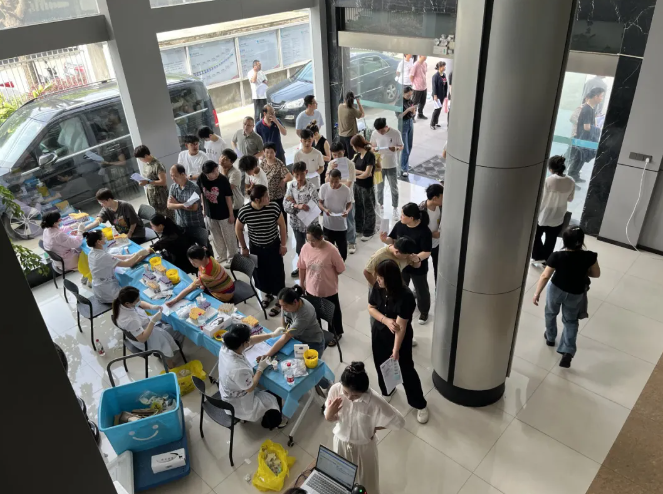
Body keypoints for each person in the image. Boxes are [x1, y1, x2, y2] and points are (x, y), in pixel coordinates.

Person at [325, 362, 405, 494]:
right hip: (340, 443)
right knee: (341, 481)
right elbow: (329, 418)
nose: (349, 398)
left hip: (364, 449)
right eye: (345, 392)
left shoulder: (375, 401)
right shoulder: (335, 390)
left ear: (364, 391)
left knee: (367, 484)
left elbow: (399, 421)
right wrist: (329, 414)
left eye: (356, 395)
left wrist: (375, 426)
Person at [368, 259, 428, 422]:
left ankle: (419, 404)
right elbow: (371, 307)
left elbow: (400, 327)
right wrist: (386, 320)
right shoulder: (378, 287)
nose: (377, 280)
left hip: (399, 338)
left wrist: (395, 350)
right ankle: (388, 390)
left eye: (381, 277)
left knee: (406, 370)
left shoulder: (406, 296)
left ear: (390, 278)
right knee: (381, 364)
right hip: (380, 332)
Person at [532, 226, 601, 368]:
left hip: (556, 289)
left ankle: (550, 337)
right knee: (570, 321)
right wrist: (581, 270)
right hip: (576, 292)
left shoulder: (557, 256)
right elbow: (596, 274)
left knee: (551, 312)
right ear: (581, 241)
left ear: (564, 241)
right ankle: (568, 351)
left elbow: (545, 275)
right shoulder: (590, 256)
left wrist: (536, 293)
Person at [218, 323, 289, 428]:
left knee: (261, 386)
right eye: (247, 340)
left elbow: (250, 341)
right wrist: (260, 369)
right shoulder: (237, 368)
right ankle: (275, 422)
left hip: (229, 389)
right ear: (243, 342)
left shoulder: (228, 345)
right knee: (273, 397)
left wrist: (272, 335)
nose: (249, 341)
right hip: (238, 403)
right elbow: (250, 388)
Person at [257, 285, 329, 388]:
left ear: (295, 302)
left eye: (285, 306)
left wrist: (267, 355)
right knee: (291, 364)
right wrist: (285, 329)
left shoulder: (303, 316)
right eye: (281, 305)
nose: (283, 308)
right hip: (297, 339)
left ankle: (326, 384)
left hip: (312, 342)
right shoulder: (287, 304)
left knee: (310, 371)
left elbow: (285, 337)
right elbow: (284, 323)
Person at [236, 185, 287, 316]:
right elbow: (238, 228)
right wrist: (243, 247)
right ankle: (268, 294)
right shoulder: (245, 211)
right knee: (261, 273)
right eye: (266, 196)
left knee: (277, 273)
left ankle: (280, 300)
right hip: (256, 248)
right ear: (257, 200)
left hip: (273, 246)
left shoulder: (273, 207)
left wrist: (283, 245)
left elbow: (282, 225)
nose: (269, 197)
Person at [382, 203, 432, 324]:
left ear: (411, 218)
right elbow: (392, 239)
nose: (401, 217)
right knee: (400, 286)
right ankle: (398, 308)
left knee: (421, 289)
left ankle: (424, 311)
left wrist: (416, 258)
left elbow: (427, 251)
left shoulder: (424, 231)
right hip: (401, 264)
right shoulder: (400, 225)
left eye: (403, 215)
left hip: (417, 265)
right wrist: (385, 239)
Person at [113, 286, 184, 367]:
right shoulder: (130, 320)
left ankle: (167, 352)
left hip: (143, 326)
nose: (139, 301)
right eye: (137, 300)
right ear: (127, 303)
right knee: (178, 329)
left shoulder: (121, 303)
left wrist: (151, 306)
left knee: (167, 325)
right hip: (145, 339)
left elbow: (139, 304)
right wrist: (152, 321)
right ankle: (170, 362)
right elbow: (142, 339)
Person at [299, 223, 346, 344]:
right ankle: (318, 332)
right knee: (314, 313)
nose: (310, 244)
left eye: (313, 241)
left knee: (332, 313)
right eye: (308, 240)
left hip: (328, 288)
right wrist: (302, 283)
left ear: (321, 237)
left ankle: (335, 333)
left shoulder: (331, 250)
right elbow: (302, 267)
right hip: (311, 288)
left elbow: (340, 269)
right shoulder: (305, 248)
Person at [84, 230, 149, 303]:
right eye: (104, 237)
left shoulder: (92, 252)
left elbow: (112, 256)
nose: (106, 238)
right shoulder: (102, 256)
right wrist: (138, 254)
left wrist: (130, 256)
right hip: (108, 291)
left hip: (99, 287)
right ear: (98, 242)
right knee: (134, 294)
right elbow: (127, 264)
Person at [532, 156, 575, 265]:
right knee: (551, 239)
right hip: (559, 214)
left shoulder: (548, 180)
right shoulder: (571, 181)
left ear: (550, 169)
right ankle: (547, 259)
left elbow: (540, 197)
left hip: (544, 213)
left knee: (536, 236)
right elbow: (570, 199)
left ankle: (538, 256)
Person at [166, 245, 235, 305]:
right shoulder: (207, 256)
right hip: (229, 285)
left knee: (198, 301)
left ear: (202, 258)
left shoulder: (206, 275)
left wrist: (175, 300)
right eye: (190, 260)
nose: (192, 263)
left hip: (224, 294)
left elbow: (191, 287)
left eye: (194, 261)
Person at [198, 160, 237, 267]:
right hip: (210, 213)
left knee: (229, 236)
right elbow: (202, 193)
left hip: (224, 213)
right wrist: (204, 208)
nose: (216, 173)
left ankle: (233, 257)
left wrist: (231, 214)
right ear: (206, 173)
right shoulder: (201, 178)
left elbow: (228, 197)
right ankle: (222, 255)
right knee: (216, 236)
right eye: (213, 172)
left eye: (217, 170)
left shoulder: (223, 179)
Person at [284, 161, 320, 277]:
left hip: (310, 225)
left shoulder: (312, 188)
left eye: (302, 174)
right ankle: (302, 267)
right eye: (297, 175)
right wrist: (297, 205)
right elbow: (285, 205)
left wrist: (295, 203)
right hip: (296, 224)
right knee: (300, 248)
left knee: (313, 247)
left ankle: (313, 269)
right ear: (293, 173)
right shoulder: (291, 187)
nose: (299, 178)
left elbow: (314, 206)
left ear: (306, 172)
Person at [41, 211, 91, 286]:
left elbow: (60, 230)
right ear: (54, 222)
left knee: (81, 249)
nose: (61, 220)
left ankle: (86, 275)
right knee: (90, 254)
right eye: (59, 219)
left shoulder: (47, 230)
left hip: (59, 260)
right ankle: (90, 278)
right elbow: (77, 243)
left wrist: (72, 227)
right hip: (68, 261)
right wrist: (80, 231)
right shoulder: (58, 235)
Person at [567, 87, 605, 182]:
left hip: (585, 138)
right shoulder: (587, 109)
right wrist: (597, 129)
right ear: (596, 96)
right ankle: (571, 177)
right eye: (601, 96)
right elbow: (586, 127)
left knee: (581, 158)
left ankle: (575, 176)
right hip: (583, 138)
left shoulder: (591, 108)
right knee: (578, 158)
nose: (602, 98)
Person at [81, 188, 146, 243]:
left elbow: (133, 223)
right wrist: (84, 229)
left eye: (102, 202)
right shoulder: (106, 209)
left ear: (109, 199)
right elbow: (97, 221)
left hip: (136, 233)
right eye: (99, 202)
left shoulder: (125, 206)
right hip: (122, 234)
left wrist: (129, 234)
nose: (101, 204)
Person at [167, 164, 209, 249]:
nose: (173, 178)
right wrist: (184, 205)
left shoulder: (194, 188)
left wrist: (176, 203)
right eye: (171, 176)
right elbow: (169, 205)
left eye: (175, 176)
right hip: (181, 224)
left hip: (195, 224)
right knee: (188, 248)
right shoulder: (173, 187)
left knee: (204, 247)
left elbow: (194, 208)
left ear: (183, 174)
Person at [370, 118, 403, 219]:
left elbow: (401, 146)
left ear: (386, 126)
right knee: (379, 187)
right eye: (378, 131)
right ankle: (380, 205)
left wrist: (396, 148)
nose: (380, 133)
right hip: (379, 164)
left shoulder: (396, 133)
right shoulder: (375, 133)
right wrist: (374, 149)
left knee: (394, 188)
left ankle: (395, 208)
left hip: (392, 164)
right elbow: (372, 147)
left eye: (381, 131)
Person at [328, 141, 357, 254]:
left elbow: (349, 183)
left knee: (349, 220)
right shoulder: (331, 164)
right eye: (334, 155)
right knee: (336, 220)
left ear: (344, 152)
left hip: (348, 198)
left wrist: (334, 183)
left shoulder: (350, 164)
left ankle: (351, 241)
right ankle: (338, 241)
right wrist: (331, 170)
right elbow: (326, 181)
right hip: (334, 198)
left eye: (339, 154)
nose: (337, 157)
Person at [319, 169, 352, 260]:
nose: (333, 184)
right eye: (331, 181)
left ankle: (341, 263)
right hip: (328, 224)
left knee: (342, 249)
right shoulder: (324, 187)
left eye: (336, 181)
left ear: (340, 179)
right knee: (328, 248)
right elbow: (320, 202)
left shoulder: (346, 190)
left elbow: (349, 203)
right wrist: (325, 210)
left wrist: (347, 211)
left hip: (341, 225)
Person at [134, 145, 173, 220]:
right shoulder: (147, 164)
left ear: (146, 155)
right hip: (152, 195)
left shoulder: (157, 165)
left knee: (167, 217)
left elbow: (163, 182)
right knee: (157, 218)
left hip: (160, 196)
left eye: (140, 158)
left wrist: (148, 182)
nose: (140, 160)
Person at [351, 134, 376, 242]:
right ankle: (359, 228)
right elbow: (352, 169)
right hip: (357, 186)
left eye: (353, 146)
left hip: (367, 187)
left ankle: (369, 231)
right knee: (358, 207)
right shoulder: (357, 156)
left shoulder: (370, 155)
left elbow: (367, 174)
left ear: (356, 145)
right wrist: (361, 172)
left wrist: (356, 176)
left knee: (368, 208)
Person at [260, 142, 292, 229]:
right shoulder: (263, 163)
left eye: (271, 152)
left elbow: (289, 177)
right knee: (269, 216)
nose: (269, 155)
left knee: (281, 215)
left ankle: (284, 231)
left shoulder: (279, 164)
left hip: (278, 195)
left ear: (275, 152)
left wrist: (283, 181)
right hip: (267, 195)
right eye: (267, 152)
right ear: (264, 152)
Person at [420, 183, 444, 285]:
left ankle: (438, 288)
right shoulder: (421, 211)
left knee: (438, 269)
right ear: (434, 198)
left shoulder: (441, 207)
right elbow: (417, 230)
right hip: (424, 246)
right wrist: (431, 235)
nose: (444, 199)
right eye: (442, 197)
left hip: (437, 244)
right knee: (422, 270)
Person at [337, 91, 365, 159]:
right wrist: (358, 103)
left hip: (341, 136)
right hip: (350, 137)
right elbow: (362, 114)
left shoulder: (340, 106)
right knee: (352, 158)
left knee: (343, 156)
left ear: (345, 99)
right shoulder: (352, 110)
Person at [397, 86, 417, 177]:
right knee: (405, 148)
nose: (409, 97)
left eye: (411, 95)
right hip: (403, 124)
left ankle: (405, 163)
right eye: (408, 95)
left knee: (409, 145)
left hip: (410, 122)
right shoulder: (399, 103)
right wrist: (407, 110)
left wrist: (413, 111)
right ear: (403, 94)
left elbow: (413, 113)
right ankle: (404, 168)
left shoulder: (410, 101)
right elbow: (399, 116)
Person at [219, 149, 244, 218]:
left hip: (235, 203)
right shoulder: (218, 168)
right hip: (224, 203)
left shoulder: (236, 172)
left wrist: (224, 172)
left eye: (226, 159)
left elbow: (227, 189)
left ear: (231, 162)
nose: (222, 160)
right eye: (221, 156)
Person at [430, 61, 448, 130]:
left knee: (439, 109)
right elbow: (434, 86)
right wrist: (435, 95)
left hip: (442, 95)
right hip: (437, 96)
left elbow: (445, 85)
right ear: (440, 67)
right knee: (436, 109)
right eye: (443, 66)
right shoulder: (435, 76)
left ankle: (436, 122)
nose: (444, 68)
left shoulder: (444, 75)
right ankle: (432, 124)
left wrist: (445, 94)